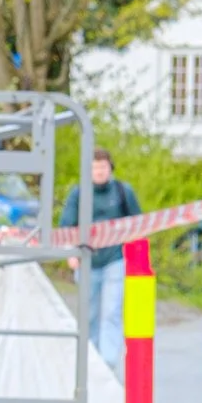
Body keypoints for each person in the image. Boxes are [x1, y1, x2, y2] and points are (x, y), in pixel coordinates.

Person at [60, 151, 140, 370]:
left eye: (103, 167)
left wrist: (132, 249)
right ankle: (90, 360)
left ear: (110, 168)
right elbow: (67, 225)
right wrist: (71, 252)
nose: (99, 172)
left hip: (115, 259)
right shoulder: (79, 194)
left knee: (111, 311)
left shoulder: (123, 192)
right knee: (89, 313)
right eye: (95, 168)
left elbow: (138, 223)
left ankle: (108, 362)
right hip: (87, 259)